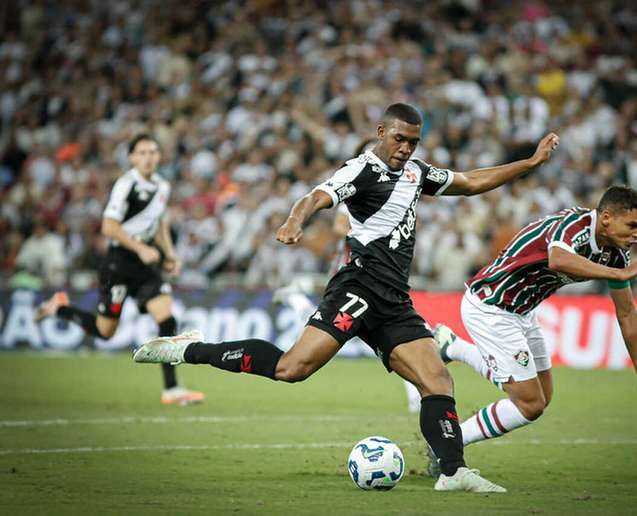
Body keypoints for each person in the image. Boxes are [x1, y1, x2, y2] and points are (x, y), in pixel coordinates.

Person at [133, 103, 559, 492]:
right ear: (381, 132)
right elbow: (315, 197)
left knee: (437, 380)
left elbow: (469, 182)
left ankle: (453, 472)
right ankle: (191, 349)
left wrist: (530, 163)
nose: (406, 148)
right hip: (356, 288)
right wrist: (293, 221)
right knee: (292, 368)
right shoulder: (361, 170)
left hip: (393, 300)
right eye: (399, 139)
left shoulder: (417, 173)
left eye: (413, 141)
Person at [427, 185, 637, 476]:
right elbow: (558, 258)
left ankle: (452, 347)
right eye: (632, 225)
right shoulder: (574, 227)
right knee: (529, 404)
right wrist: (619, 274)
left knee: (543, 396)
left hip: (522, 311)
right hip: (491, 306)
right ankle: (446, 445)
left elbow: (627, 312)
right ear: (606, 218)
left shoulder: (615, 254)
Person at [35, 134, 204, 406]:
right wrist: (140, 249)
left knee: (167, 318)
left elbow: (158, 222)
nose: (149, 157)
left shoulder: (162, 185)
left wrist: (170, 253)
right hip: (120, 263)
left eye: (153, 152)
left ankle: (171, 388)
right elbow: (108, 227)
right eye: (142, 152)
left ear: (159, 156)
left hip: (146, 264)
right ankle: (59, 309)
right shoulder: (126, 185)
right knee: (105, 332)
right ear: (132, 158)